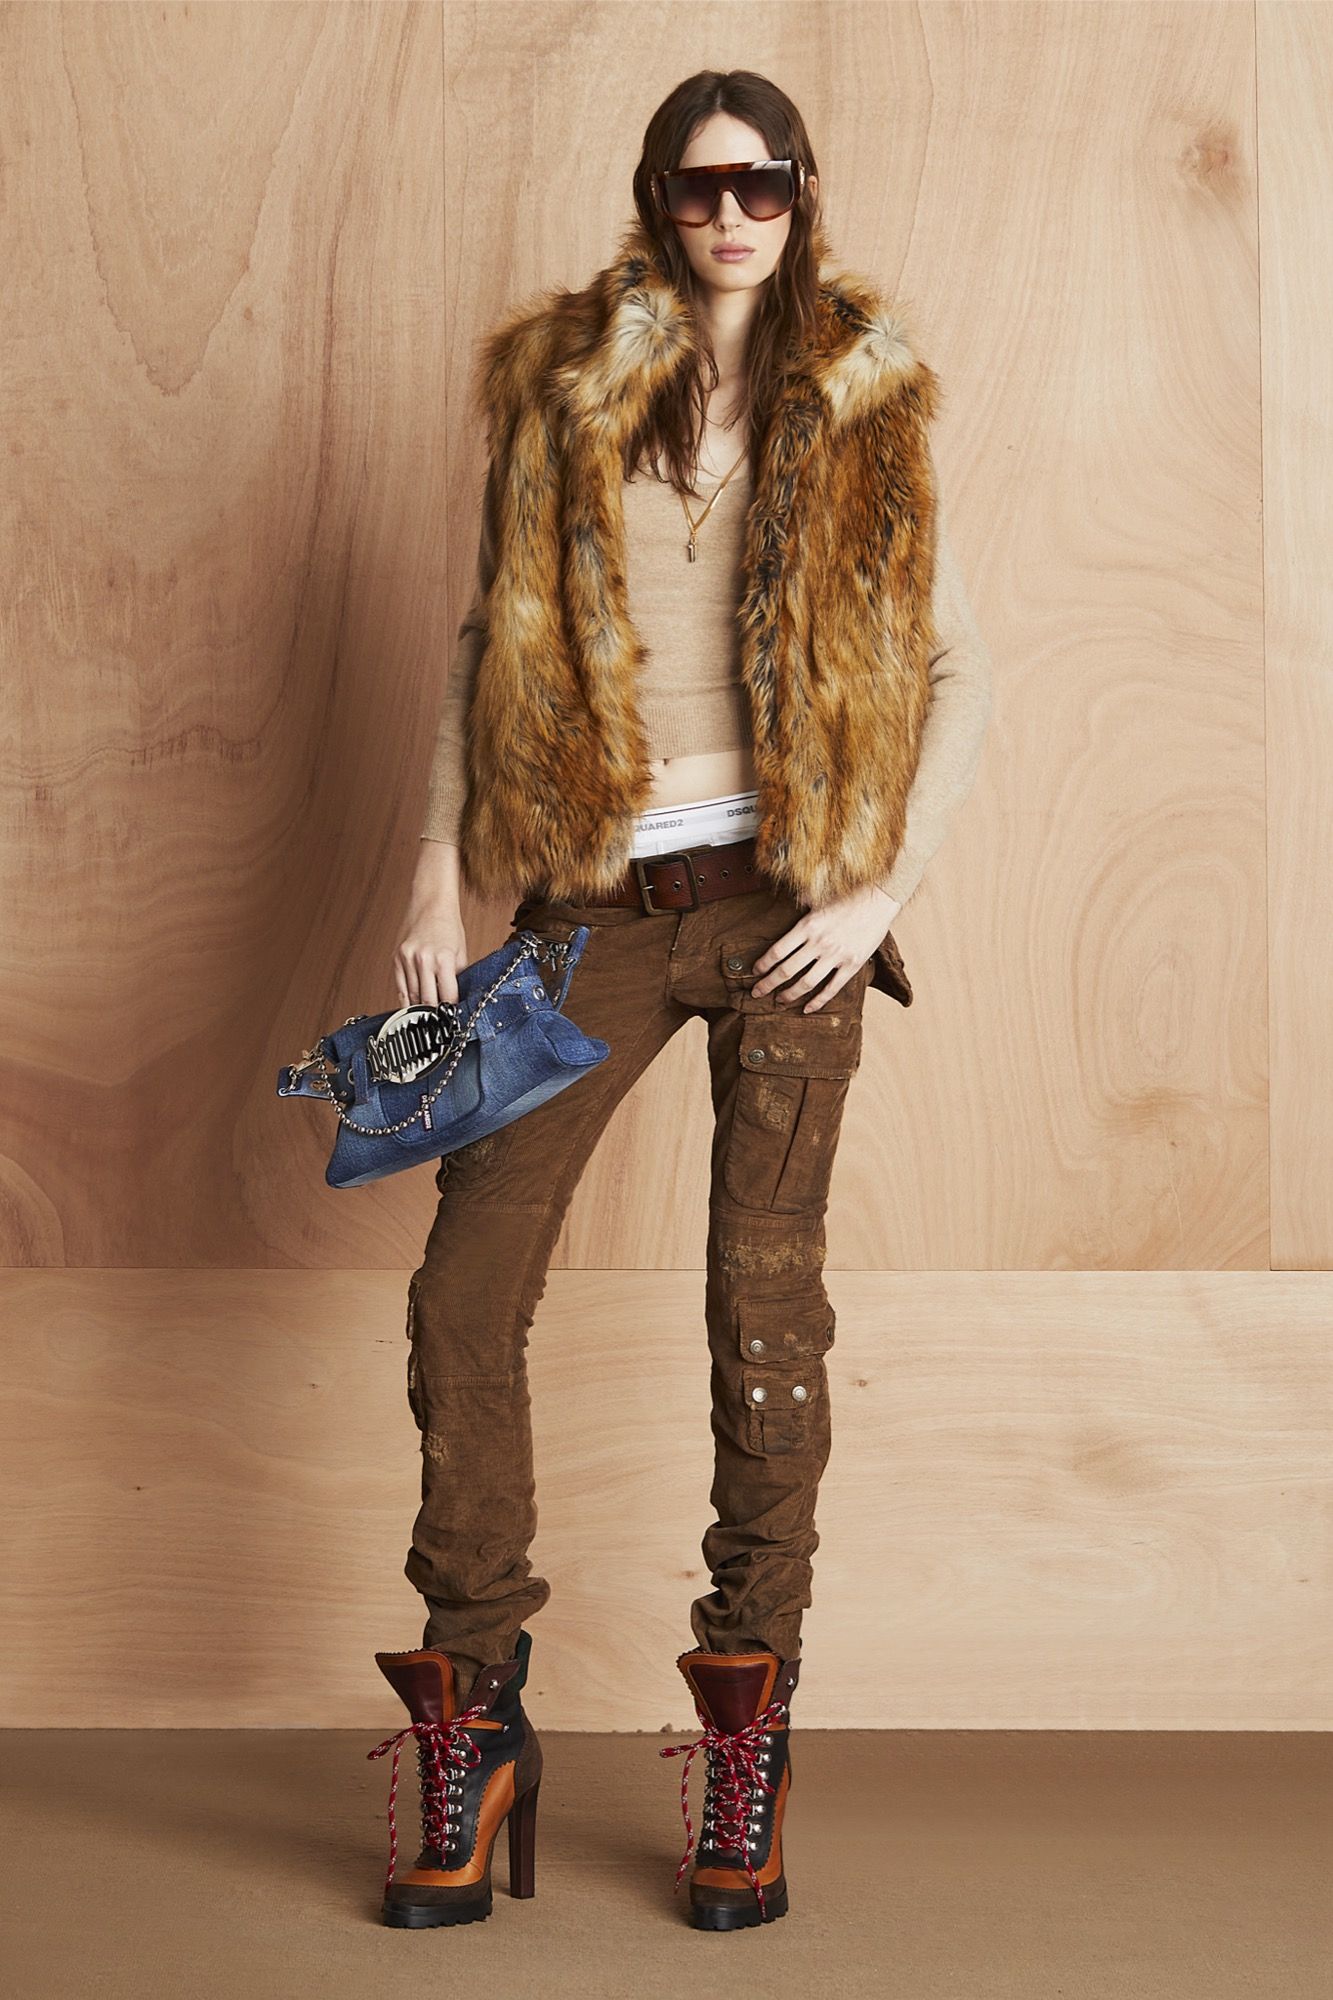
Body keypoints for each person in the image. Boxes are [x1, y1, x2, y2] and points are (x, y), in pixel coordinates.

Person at [366, 69, 993, 1933]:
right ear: (655, 196)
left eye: (764, 185)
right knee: (464, 1284)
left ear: (802, 197)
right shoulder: (564, 391)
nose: (733, 215)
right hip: (592, 903)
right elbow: (485, 637)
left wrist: (879, 888)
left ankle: (746, 1737)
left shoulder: (864, 395)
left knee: (758, 1303)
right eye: (701, 186)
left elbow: (956, 662)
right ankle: (473, 1720)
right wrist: (430, 876)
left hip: (791, 903)